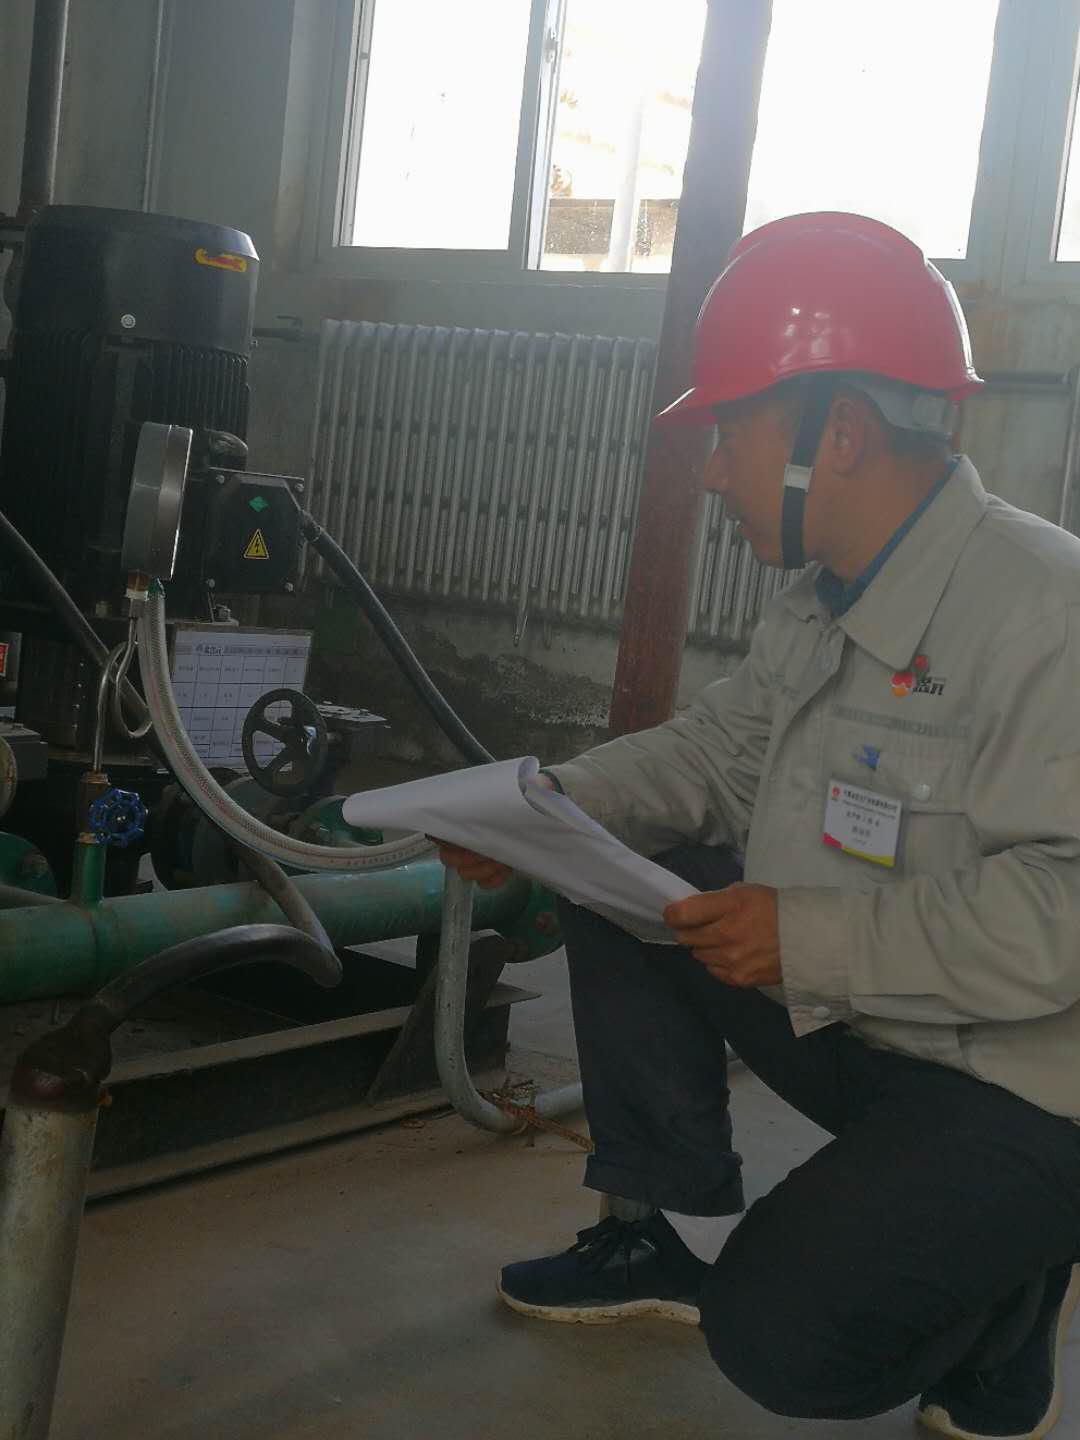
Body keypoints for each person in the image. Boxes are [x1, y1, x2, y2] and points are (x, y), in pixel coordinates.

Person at [439, 212, 1080, 1439]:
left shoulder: (1046, 611)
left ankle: (1012, 1287)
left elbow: (1067, 909)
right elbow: (717, 754)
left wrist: (808, 936)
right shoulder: (822, 601)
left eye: (730, 431)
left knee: (781, 1338)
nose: (714, 470)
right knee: (631, 872)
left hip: (1027, 1082)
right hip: (875, 1025)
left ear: (837, 432)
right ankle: (655, 1225)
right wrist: (547, 809)